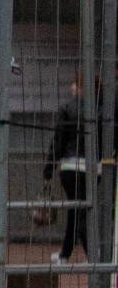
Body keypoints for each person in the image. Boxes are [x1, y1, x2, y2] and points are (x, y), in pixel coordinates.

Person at [51, 78, 90, 261]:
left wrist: (50, 166)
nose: (72, 86)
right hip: (91, 167)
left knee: (77, 212)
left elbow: (59, 140)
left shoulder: (67, 109)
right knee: (79, 210)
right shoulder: (97, 110)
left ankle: (92, 253)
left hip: (70, 165)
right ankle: (65, 255)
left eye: (75, 83)